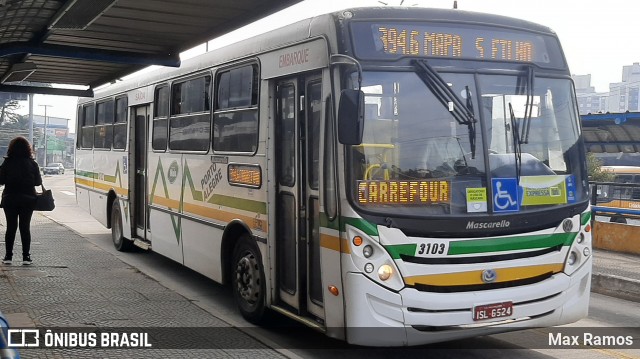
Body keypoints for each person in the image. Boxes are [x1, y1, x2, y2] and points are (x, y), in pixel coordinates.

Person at [0, 136, 42, 265]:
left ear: (11, 149)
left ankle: (8, 257)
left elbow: (0, 181)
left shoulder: (7, 162)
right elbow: (38, 182)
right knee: (25, 227)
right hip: (28, 199)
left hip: (10, 199)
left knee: (11, 227)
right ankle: (26, 257)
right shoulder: (32, 163)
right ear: (27, 149)